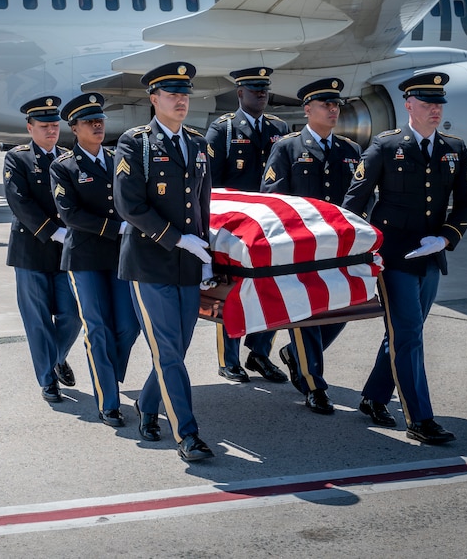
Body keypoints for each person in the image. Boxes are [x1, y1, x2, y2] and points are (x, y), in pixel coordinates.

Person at [343, 71, 467, 444]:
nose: (435, 110)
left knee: (403, 333)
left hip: (431, 256)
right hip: (393, 259)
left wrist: (446, 238)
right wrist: (358, 253)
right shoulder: (385, 147)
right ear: (409, 105)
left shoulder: (454, 148)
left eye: (439, 104)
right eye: (427, 103)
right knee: (410, 336)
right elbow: (354, 203)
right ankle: (420, 419)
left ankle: (373, 397)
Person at [115, 62, 216, 462]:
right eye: (172, 94)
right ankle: (187, 435)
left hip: (189, 265)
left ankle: (147, 402)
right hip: (150, 262)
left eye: (185, 93)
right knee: (168, 351)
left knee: (179, 347)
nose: (181, 100)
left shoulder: (199, 143)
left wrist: (204, 251)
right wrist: (178, 239)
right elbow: (129, 205)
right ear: (153, 99)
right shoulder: (135, 143)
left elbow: (203, 204)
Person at [260, 78, 362, 414]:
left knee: (342, 309)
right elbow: (273, 199)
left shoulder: (350, 149)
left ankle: (294, 356)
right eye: (326, 105)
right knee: (305, 314)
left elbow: (361, 199)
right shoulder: (288, 147)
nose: (334, 110)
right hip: (302, 249)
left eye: (336, 105)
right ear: (308, 110)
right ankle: (313, 385)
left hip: (341, 248)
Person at [50, 93, 141, 428]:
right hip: (85, 257)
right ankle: (109, 401)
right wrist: (119, 228)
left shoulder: (119, 158)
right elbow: (70, 214)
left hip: (119, 257)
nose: (98, 125)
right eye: (89, 122)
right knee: (97, 327)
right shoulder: (63, 166)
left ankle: (109, 375)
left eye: (100, 120)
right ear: (74, 128)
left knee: (129, 325)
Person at [205, 66, 289, 384]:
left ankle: (260, 353)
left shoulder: (279, 127)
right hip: (235, 228)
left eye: (264, 89)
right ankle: (229, 360)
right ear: (240, 93)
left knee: (272, 288)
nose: (261, 94)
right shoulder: (223, 130)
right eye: (254, 90)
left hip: (269, 226)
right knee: (234, 292)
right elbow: (211, 184)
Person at [3, 95, 81, 403]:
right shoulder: (17, 158)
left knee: (72, 315)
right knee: (37, 320)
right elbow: (20, 202)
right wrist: (55, 232)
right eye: (44, 126)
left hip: (65, 253)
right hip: (31, 250)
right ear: (30, 127)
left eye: (55, 125)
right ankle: (48, 380)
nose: (52, 131)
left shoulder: (67, 156)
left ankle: (57, 357)